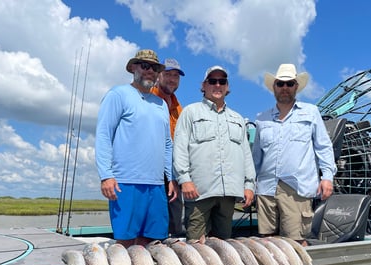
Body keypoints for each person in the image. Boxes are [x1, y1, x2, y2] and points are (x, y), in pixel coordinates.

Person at [95, 49, 178, 248]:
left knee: (151, 241)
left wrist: (171, 177)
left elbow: (167, 143)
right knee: (125, 241)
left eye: (155, 68)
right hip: (125, 183)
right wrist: (106, 175)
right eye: (145, 65)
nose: (150, 71)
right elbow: (104, 135)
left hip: (157, 185)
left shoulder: (161, 104)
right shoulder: (118, 95)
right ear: (133, 68)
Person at [252, 63, 337, 246]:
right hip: (266, 188)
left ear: (296, 86)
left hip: (297, 189)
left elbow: (323, 147)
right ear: (273, 87)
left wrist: (327, 177)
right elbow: (256, 158)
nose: (284, 88)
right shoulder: (261, 118)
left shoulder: (311, 112)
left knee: (296, 242)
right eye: (280, 84)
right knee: (267, 243)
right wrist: (250, 184)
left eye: (289, 83)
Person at [173, 65, 256, 241]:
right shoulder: (190, 112)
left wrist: (249, 185)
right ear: (204, 85)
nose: (217, 85)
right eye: (212, 81)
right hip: (198, 192)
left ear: (227, 87)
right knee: (195, 245)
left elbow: (246, 155)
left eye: (222, 81)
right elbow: (179, 148)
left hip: (228, 195)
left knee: (224, 246)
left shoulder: (238, 119)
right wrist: (185, 180)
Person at [151, 58, 185, 236]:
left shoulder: (180, 109)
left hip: (174, 174)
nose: (172, 79)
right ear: (158, 76)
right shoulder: (147, 100)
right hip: (152, 172)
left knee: (175, 223)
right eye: (168, 74)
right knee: (153, 221)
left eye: (176, 76)